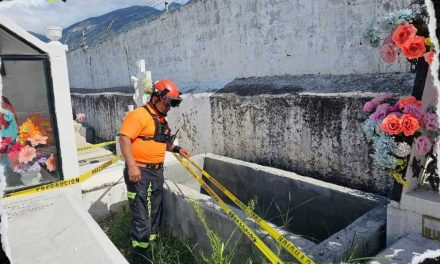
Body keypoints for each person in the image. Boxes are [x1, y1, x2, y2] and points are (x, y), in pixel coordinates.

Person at [118, 79, 191, 264]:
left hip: (156, 173)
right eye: (169, 102)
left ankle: (151, 249)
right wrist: (133, 166)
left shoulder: (160, 119)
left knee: (154, 213)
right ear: (156, 97)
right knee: (142, 216)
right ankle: (139, 258)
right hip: (141, 173)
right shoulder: (138, 115)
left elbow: (161, 142)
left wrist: (177, 149)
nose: (170, 107)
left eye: (174, 103)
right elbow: (125, 138)